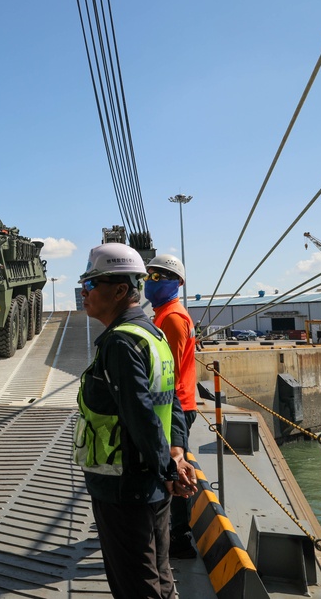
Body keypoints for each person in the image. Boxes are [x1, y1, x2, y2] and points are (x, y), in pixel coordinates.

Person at [74, 242, 196, 599]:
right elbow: (171, 400)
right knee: (159, 575)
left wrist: (169, 469)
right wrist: (175, 456)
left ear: (121, 290)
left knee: (137, 586)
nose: (85, 292)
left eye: (91, 285)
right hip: (150, 482)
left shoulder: (120, 343)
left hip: (123, 484)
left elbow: (140, 414)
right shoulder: (152, 334)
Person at [146, 253, 199, 559]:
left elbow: (170, 373)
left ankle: (179, 537)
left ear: (176, 283)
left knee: (174, 468)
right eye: (148, 276)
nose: (150, 282)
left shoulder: (173, 319)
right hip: (176, 402)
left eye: (158, 277)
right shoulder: (164, 314)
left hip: (176, 405)